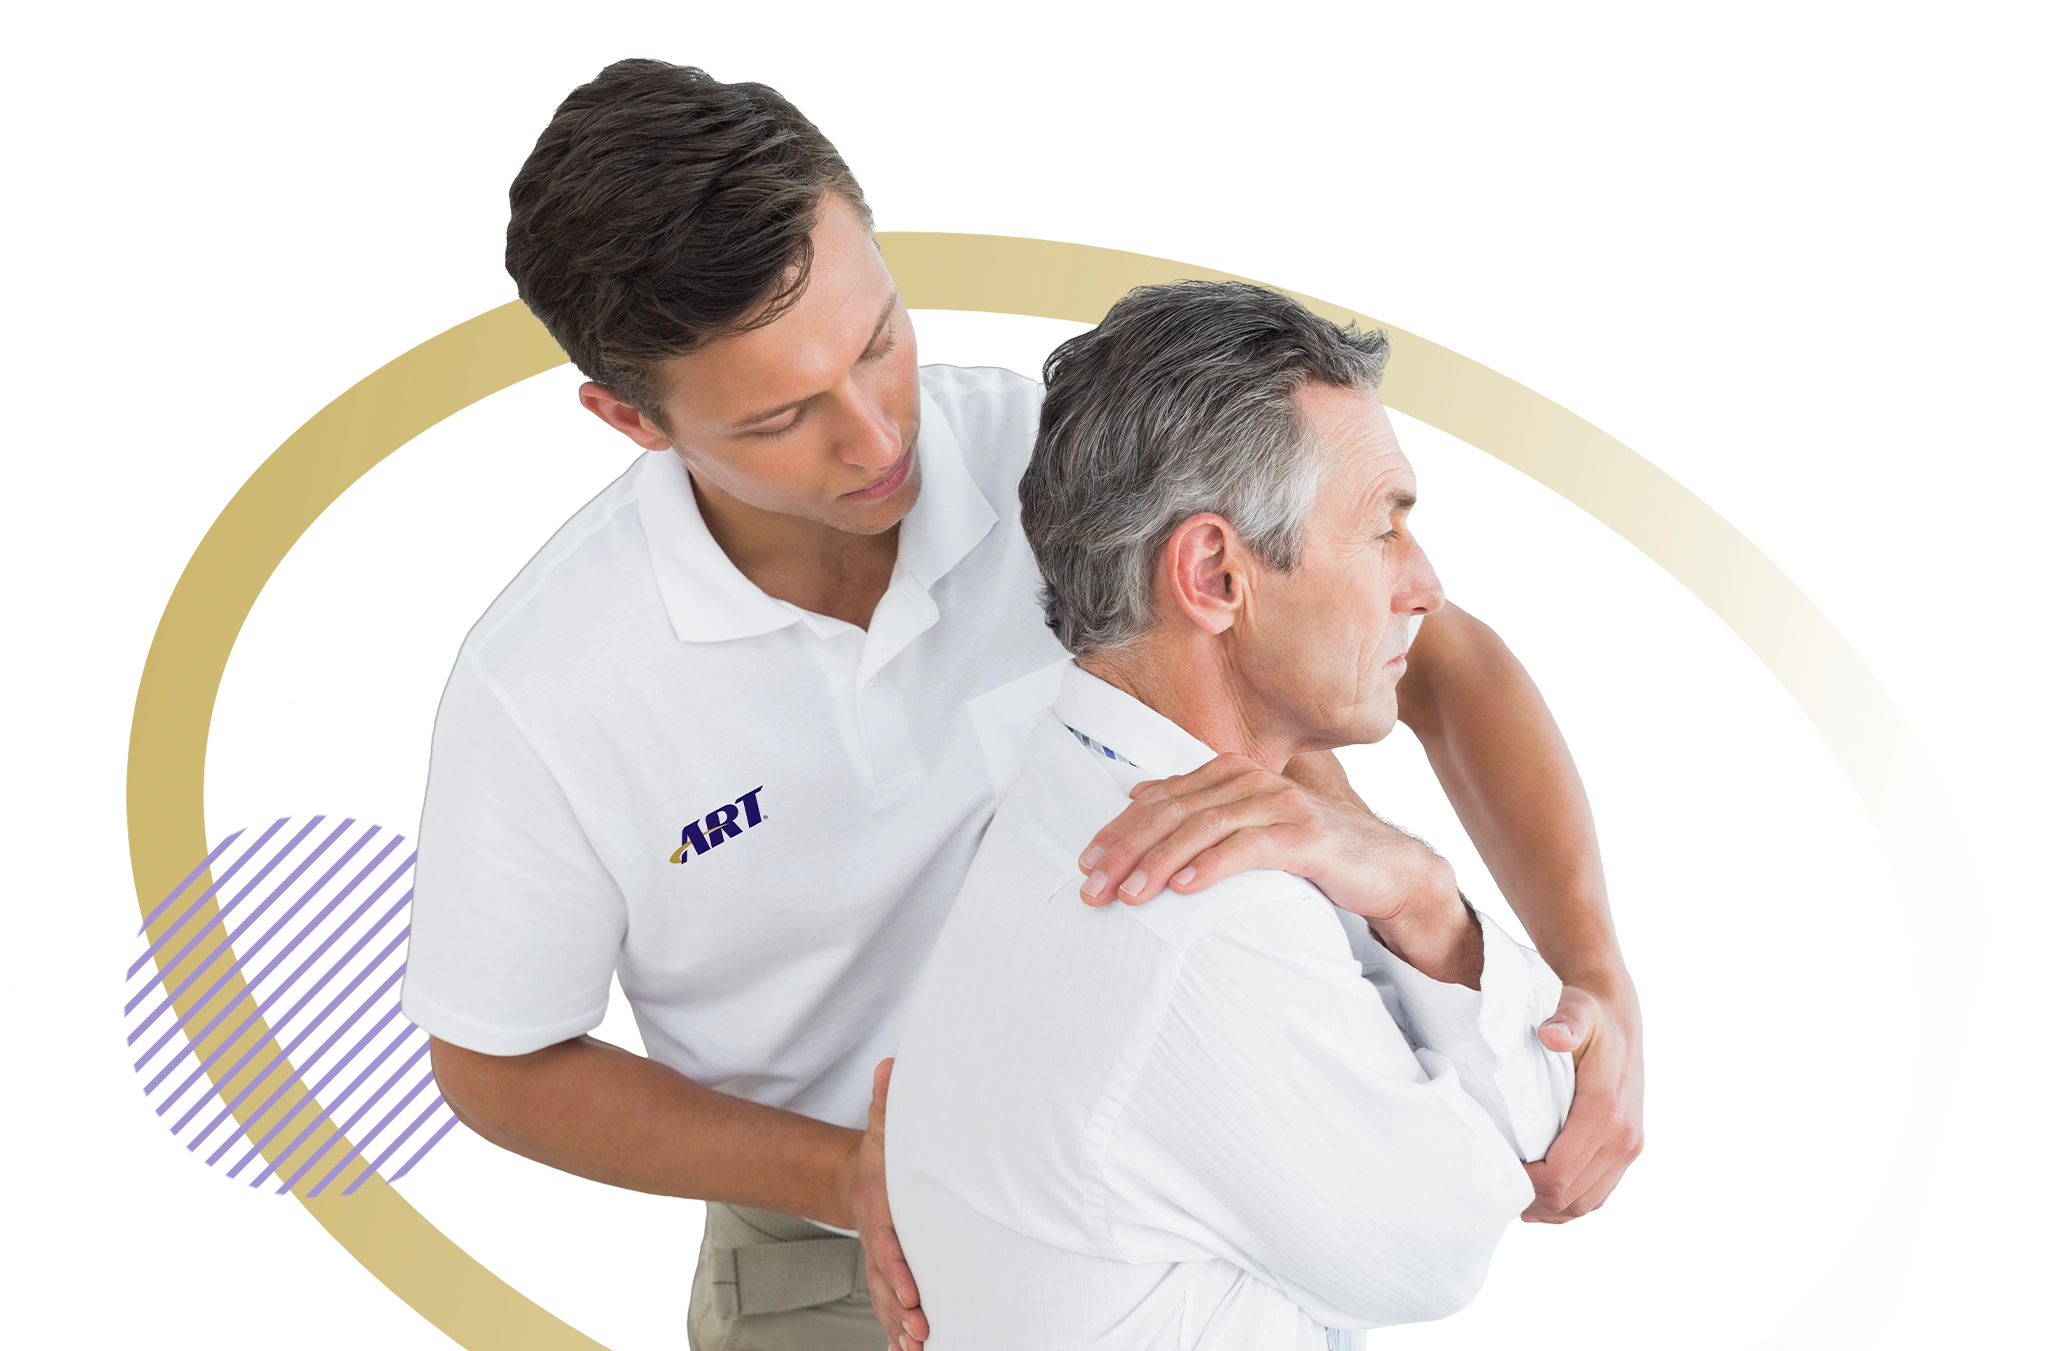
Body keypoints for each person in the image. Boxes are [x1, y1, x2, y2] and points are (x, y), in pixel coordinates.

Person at [400, 58, 1643, 1351]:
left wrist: (1591, 979)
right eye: (781, 416)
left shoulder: (1054, 462)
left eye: (877, 343)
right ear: (628, 416)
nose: (875, 438)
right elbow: (499, 1062)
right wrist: (847, 1172)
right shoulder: (546, 686)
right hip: (839, 1252)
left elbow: (1434, 648)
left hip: (1192, 1166)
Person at [886, 281, 1575, 1351]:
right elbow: (1456, 1238)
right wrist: (1427, 894)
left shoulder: (1064, 796)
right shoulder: (1204, 916)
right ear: (1213, 573)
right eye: (1383, 530)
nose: (1424, 587)